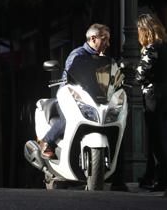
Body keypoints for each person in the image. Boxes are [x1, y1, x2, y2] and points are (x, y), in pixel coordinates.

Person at [38, 23, 112, 159]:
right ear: (93, 39)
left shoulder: (103, 59)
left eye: (108, 39)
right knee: (68, 118)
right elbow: (71, 73)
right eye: (104, 38)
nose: (108, 43)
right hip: (72, 96)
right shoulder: (77, 55)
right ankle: (47, 141)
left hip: (94, 99)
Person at [135, 13, 167, 191]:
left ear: (144, 30)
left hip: (152, 95)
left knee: (155, 138)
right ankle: (150, 176)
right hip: (164, 93)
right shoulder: (165, 46)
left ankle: (162, 178)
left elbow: (141, 74)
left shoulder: (151, 48)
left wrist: (134, 73)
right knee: (156, 137)